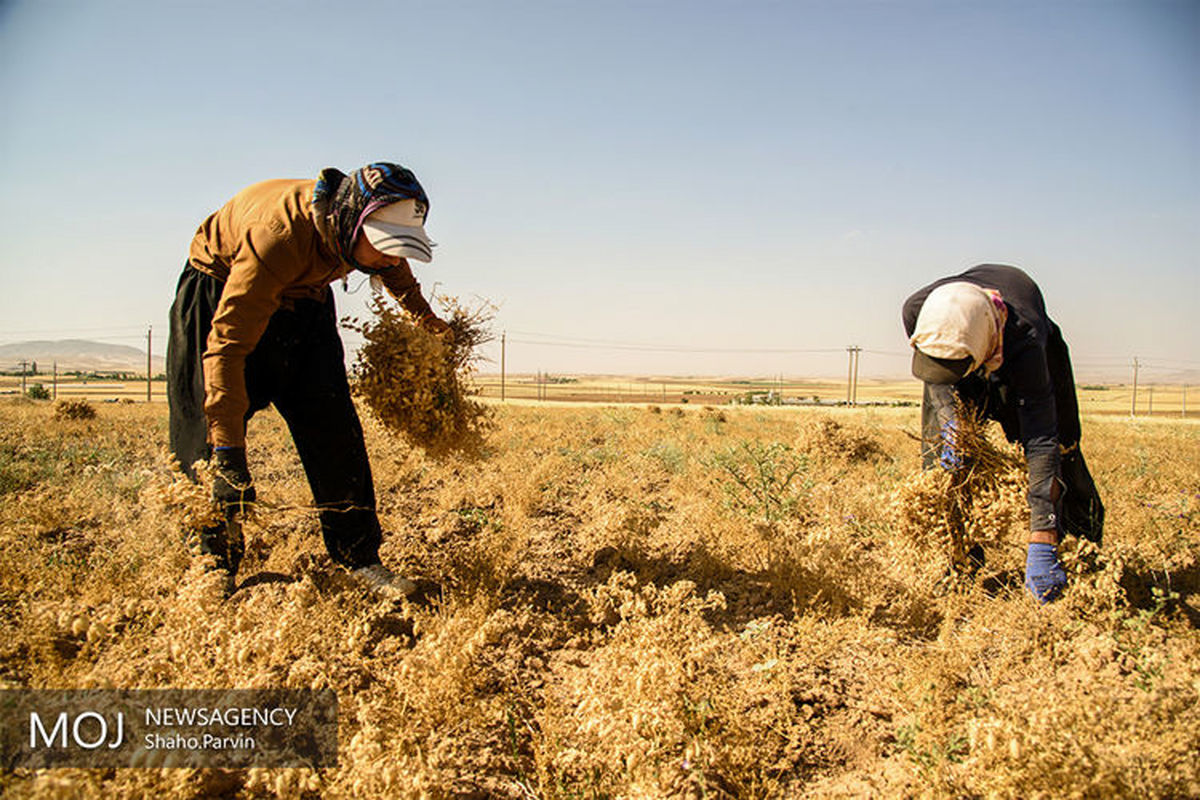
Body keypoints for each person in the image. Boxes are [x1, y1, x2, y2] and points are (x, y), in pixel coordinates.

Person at [167, 161, 451, 598]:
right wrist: (228, 452)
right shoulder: (277, 238)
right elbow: (226, 347)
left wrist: (427, 320)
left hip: (305, 298)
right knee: (206, 441)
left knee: (334, 428)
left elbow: (391, 268)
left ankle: (358, 558)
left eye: (400, 247)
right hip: (221, 294)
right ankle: (212, 565)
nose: (392, 257)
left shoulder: (355, 232)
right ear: (350, 224)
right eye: (383, 245)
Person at [902, 264, 1104, 604]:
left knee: (1063, 449)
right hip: (958, 353)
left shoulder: (1026, 338)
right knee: (942, 461)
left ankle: (1078, 553)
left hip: (1018, 354)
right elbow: (937, 378)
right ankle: (961, 560)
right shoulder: (917, 310)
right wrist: (953, 423)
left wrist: (1043, 530)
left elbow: (1041, 438)